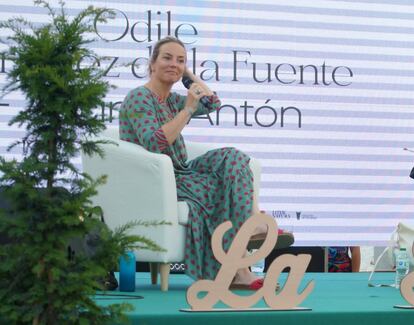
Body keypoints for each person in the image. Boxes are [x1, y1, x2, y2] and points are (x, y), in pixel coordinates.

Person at [119, 36, 293, 289]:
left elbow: (213, 102)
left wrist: (186, 74)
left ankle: (251, 222)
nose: (174, 64)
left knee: (233, 158)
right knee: (218, 189)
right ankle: (241, 267)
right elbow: (155, 143)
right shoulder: (139, 98)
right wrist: (187, 110)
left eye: (181, 61)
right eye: (167, 58)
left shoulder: (173, 99)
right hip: (158, 180)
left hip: (182, 171)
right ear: (152, 64)